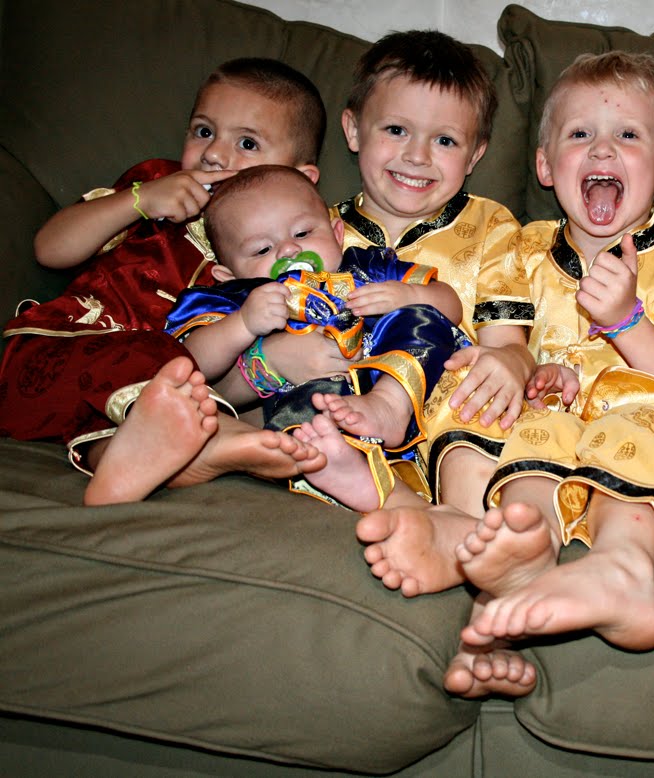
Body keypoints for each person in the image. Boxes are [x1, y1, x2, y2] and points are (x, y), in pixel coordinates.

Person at [361, 51, 654, 697]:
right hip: (545, 419)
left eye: (627, 134)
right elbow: (507, 348)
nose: (602, 149)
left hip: (641, 412)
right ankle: (505, 581)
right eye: (579, 134)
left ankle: (621, 569)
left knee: (635, 424)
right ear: (545, 166)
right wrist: (531, 371)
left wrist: (627, 324)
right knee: (486, 395)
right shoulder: (523, 247)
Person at [0, 57, 331, 505]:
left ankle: (131, 467)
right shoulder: (156, 182)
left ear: (300, 178)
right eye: (204, 131)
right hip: (55, 355)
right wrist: (139, 201)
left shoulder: (286, 249)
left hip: (135, 406)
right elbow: (49, 248)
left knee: (143, 408)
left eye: (247, 143)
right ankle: (213, 436)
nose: (214, 153)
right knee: (166, 363)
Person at [312, 29, 531, 506]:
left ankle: (459, 522)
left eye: (445, 140)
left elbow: (508, 346)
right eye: (396, 130)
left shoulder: (491, 225)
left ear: (474, 155)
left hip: (449, 417)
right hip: (338, 406)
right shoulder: (312, 228)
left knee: (478, 399)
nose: (417, 156)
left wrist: (511, 364)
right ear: (353, 130)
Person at [164, 165, 464, 511]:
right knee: (306, 420)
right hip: (316, 411)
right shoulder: (239, 299)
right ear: (227, 275)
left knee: (422, 319)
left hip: (404, 395)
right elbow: (192, 362)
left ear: (337, 233)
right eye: (262, 250)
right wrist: (242, 324)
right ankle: (373, 489)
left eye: (303, 233)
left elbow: (452, 307)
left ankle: (388, 405)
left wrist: (408, 295)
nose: (289, 250)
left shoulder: (368, 268)